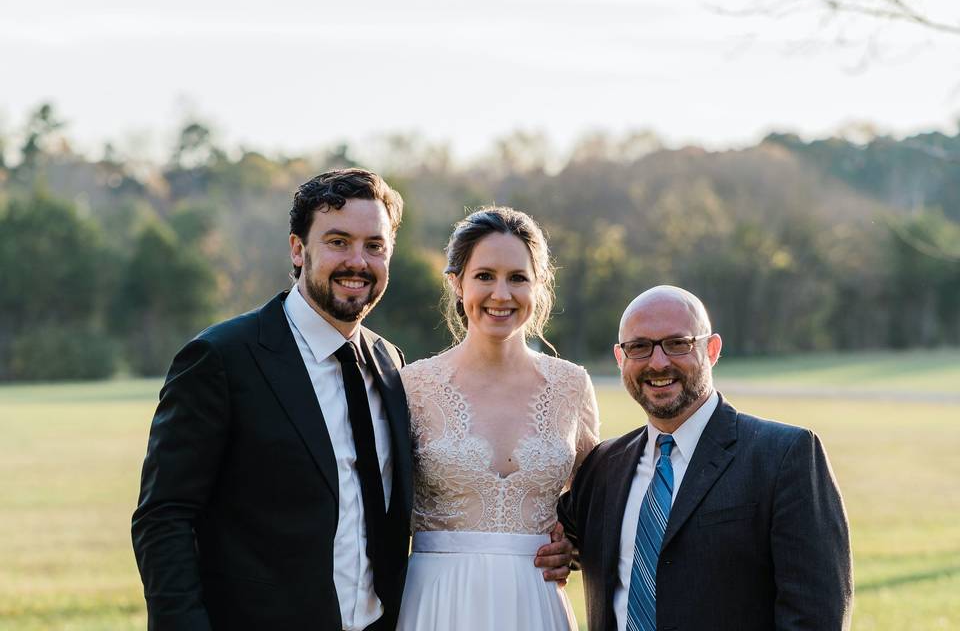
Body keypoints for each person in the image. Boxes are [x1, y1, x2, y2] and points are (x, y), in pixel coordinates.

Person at [131, 169, 572, 631]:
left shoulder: (389, 365)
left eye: (374, 246)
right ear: (298, 249)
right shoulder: (224, 358)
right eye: (338, 242)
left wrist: (565, 538)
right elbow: (164, 517)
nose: (357, 261)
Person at [559, 285, 853, 631]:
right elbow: (547, 536)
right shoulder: (603, 465)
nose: (658, 362)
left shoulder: (785, 455)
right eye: (639, 347)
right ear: (621, 358)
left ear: (711, 349)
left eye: (677, 343)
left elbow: (815, 617)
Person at [396, 207, 601, 631]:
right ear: (457, 282)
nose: (501, 294)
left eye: (518, 278)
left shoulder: (572, 386)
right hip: (438, 602)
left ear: (539, 285)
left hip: (536, 601)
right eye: (484, 275)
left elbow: (593, 505)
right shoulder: (411, 386)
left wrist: (572, 547)